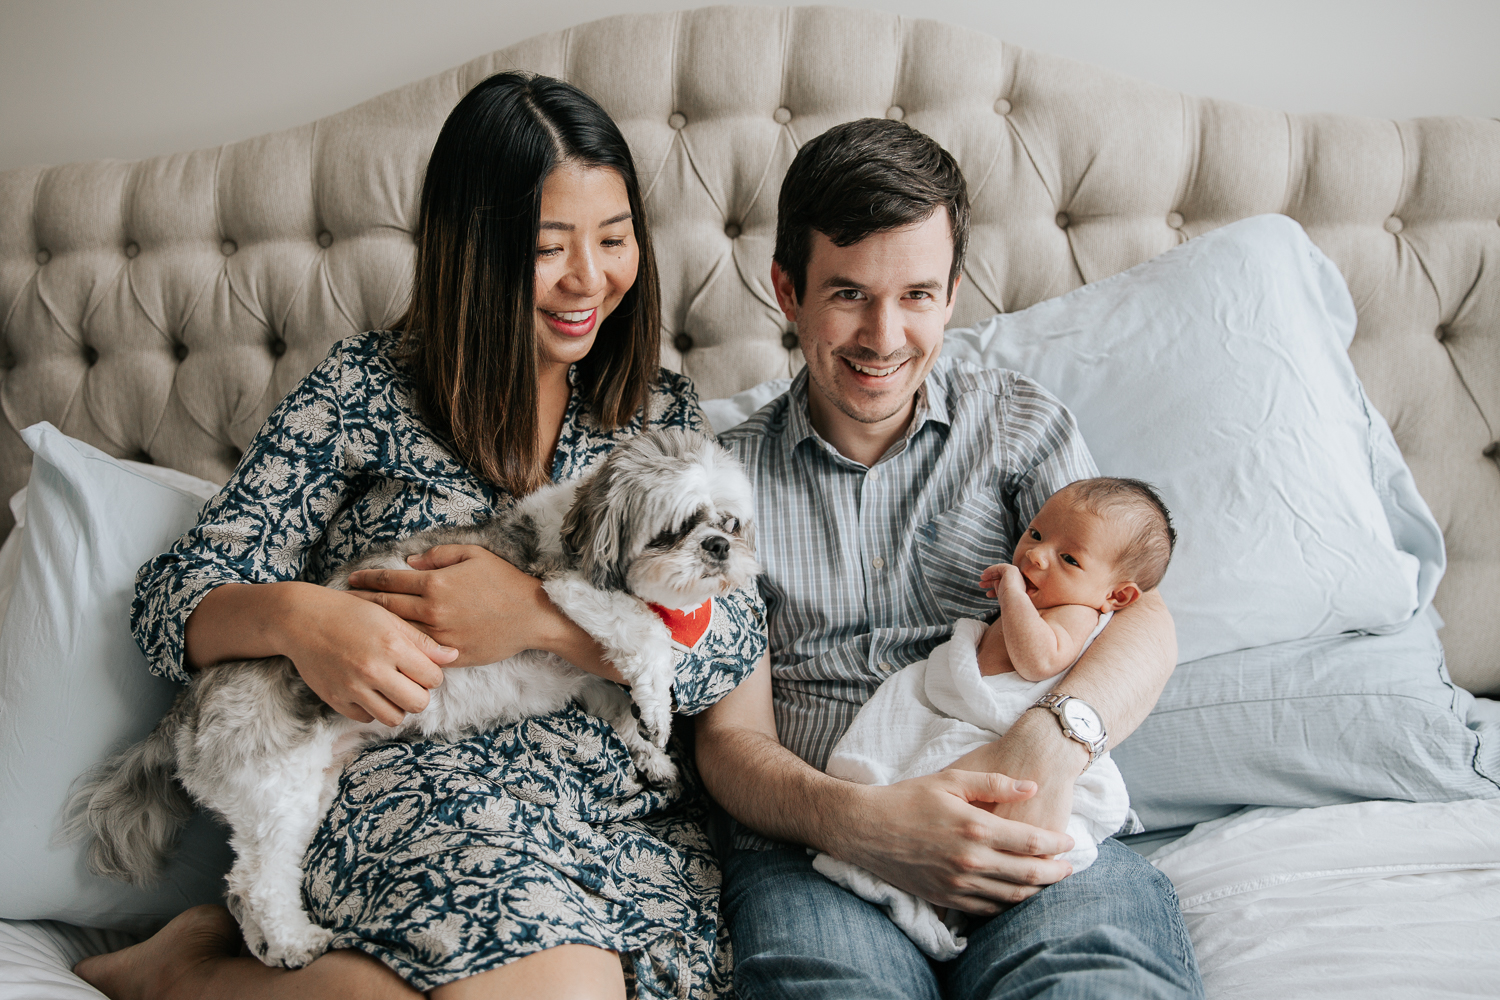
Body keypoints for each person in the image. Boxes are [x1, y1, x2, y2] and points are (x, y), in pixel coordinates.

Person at [77, 73, 764, 1000]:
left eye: (613, 240)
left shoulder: (654, 415)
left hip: (610, 806)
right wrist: (299, 619)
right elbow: (173, 604)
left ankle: (192, 976)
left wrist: (537, 619)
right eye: (547, 247)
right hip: (413, 780)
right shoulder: (364, 391)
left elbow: (729, 650)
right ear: (473, 247)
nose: (588, 280)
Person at [699, 118, 1205, 998]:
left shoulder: (1018, 425)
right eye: (849, 294)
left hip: (1028, 803)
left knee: (1096, 983)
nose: (884, 336)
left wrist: (1047, 750)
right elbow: (731, 740)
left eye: (918, 296)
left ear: (953, 292)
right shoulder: (721, 486)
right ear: (788, 289)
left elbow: (1140, 618)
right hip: (822, 848)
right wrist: (863, 823)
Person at [810, 476, 1178, 960]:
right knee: (907, 715)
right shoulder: (1057, 590)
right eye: (1037, 534)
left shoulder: (1077, 613)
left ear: (1118, 597)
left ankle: (936, 892)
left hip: (1005, 726)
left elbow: (1039, 661)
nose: (1037, 556)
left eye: (1069, 559)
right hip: (956, 708)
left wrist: (1012, 596)